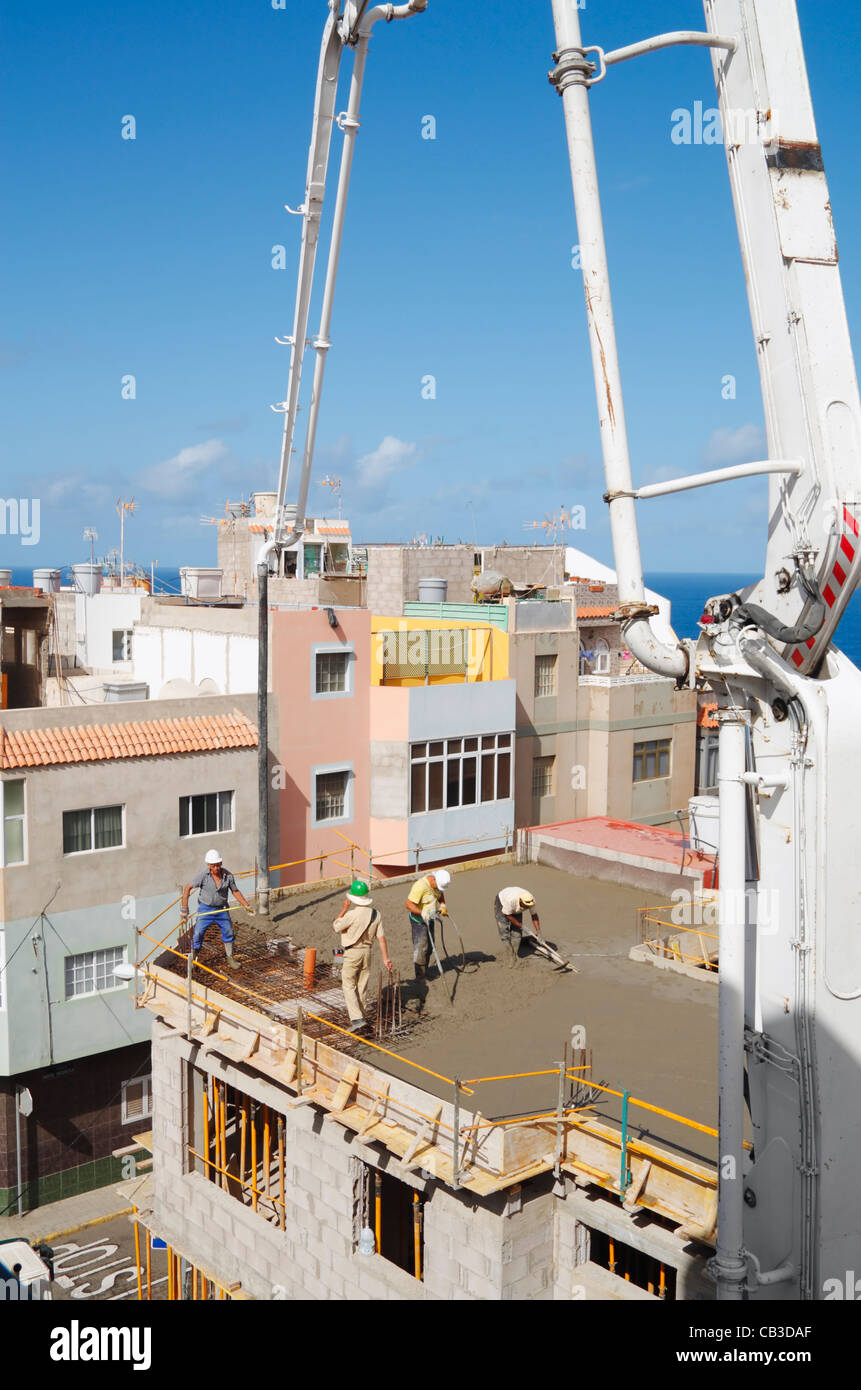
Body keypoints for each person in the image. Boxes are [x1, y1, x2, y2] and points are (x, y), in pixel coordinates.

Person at [332, 880, 392, 1032]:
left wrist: (343, 910)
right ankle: (362, 1015)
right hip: (367, 952)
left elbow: (335, 926)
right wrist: (386, 958)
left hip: (352, 953)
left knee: (348, 984)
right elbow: (381, 938)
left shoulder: (352, 914)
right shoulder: (376, 914)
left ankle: (357, 1019)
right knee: (362, 985)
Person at [180, 849, 253, 971]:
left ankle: (230, 958)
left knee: (228, 931)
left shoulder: (228, 876)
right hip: (205, 909)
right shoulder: (203, 876)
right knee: (198, 933)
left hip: (221, 909)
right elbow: (187, 888)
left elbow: (235, 891)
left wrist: (247, 905)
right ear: (209, 865)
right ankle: (193, 958)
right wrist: (184, 909)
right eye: (213, 866)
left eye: (218, 865)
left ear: (221, 863)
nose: (216, 868)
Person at [404, 868, 450, 980]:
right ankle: (420, 977)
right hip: (419, 922)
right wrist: (422, 913)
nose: (438, 889)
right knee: (421, 948)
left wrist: (443, 905)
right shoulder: (420, 886)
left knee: (430, 946)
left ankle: (425, 970)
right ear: (433, 879)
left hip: (430, 919)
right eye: (438, 886)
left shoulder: (437, 886)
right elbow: (408, 905)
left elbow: (440, 894)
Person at [494, 886, 541, 964]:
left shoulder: (531, 901)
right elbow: (508, 916)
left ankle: (515, 954)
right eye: (526, 906)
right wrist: (522, 926)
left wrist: (539, 932)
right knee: (504, 931)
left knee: (517, 933)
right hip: (502, 903)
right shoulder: (510, 900)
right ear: (521, 901)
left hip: (516, 908)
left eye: (528, 906)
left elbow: (534, 916)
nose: (527, 907)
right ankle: (511, 955)